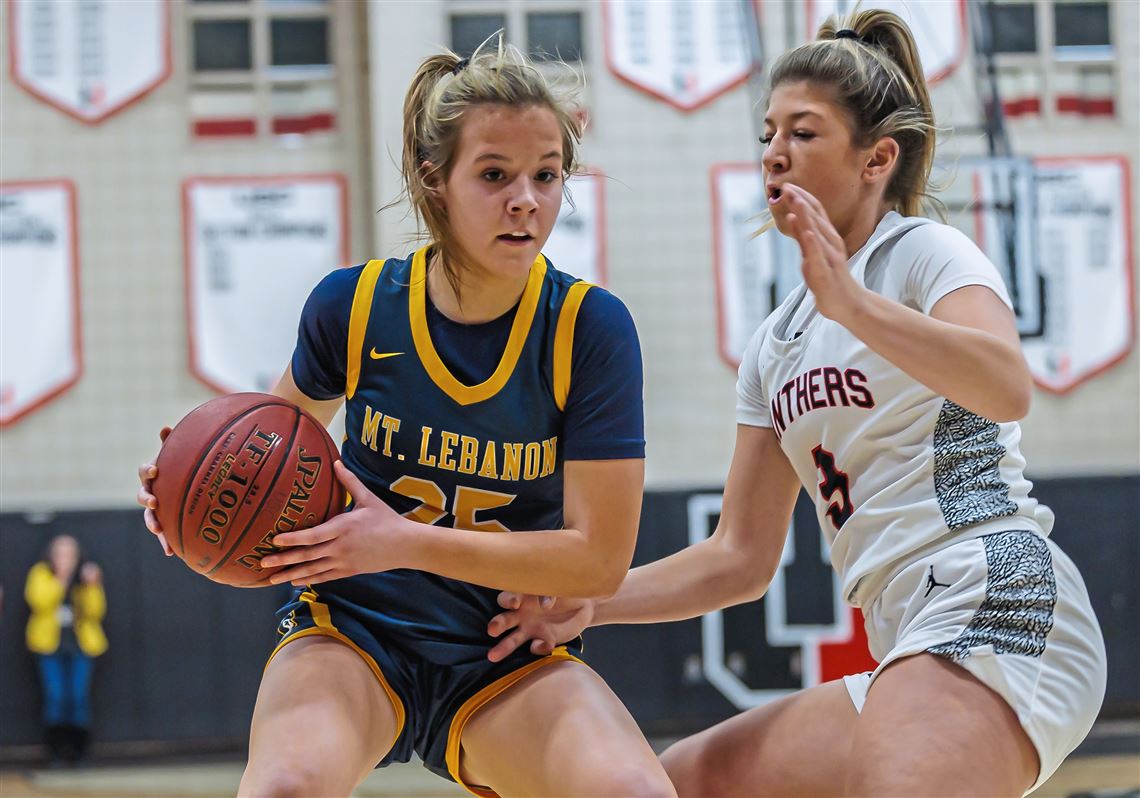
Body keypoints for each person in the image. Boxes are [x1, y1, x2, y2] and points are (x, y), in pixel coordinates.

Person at [486, 11, 1107, 797]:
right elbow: (739, 557)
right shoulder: (776, 343)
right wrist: (590, 605)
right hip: (908, 635)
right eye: (769, 132)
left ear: (877, 157)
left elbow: (1006, 383)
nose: (775, 152)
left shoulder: (919, 254)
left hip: (998, 594)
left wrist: (854, 304)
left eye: (804, 133)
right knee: (682, 784)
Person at [138, 39, 675, 798]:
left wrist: (403, 541)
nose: (527, 198)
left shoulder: (591, 329)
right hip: (353, 629)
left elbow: (599, 563)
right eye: (495, 174)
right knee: (283, 786)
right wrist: (187, 487)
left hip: (503, 650)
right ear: (436, 178)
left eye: (547, 175)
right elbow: (264, 449)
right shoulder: (353, 305)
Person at [25, 534, 107, 767]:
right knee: (56, 696)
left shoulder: (85, 577)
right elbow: (39, 602)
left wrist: (92, 586)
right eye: (60, 553)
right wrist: (61, 578)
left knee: (78, 697)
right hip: (49, 646)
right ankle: (56, 753)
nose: (66, 558)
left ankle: (79, 752)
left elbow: (95, 611)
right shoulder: (41, 574)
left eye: (70, 553)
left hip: (80, 646)